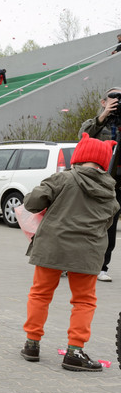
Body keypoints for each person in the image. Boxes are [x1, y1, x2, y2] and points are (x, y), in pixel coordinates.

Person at [20, 134, 119, 371]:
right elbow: (108, 220)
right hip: (88, 250)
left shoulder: (63, 178)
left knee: (40, 294)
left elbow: (32, 203)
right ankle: (75, 351)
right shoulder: (110, 188)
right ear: (103, 162)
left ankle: (32, 344)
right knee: (84, 301)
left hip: (52, 246)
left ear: (78, 157)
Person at [79, 87, 121, 281]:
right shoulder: (97, 124)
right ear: (103, 102)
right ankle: (74, 261)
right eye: (113, 98)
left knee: (110, 227)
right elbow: (83, 136)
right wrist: (104, 115)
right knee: (88, 223)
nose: (116, 102)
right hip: (96, 181)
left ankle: (102, 267)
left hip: (117, 183)